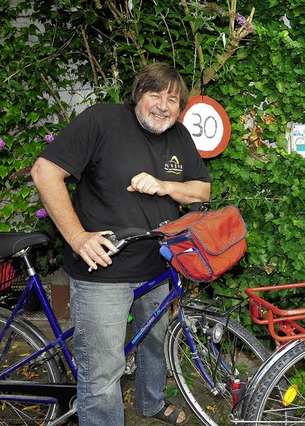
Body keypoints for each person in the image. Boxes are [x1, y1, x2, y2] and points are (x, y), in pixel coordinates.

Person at [31, 63, 212, 425]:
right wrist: (78, 236)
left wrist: (166, 186)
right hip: (104, 271)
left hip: (160, 266)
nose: (162, 106)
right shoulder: (102, 121)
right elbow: (44, 171)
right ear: (137, 96)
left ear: (181, 108)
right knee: (102, 375)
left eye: (172, 100)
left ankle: (150, 403)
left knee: (155, 343)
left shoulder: (178, 136)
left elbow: (202, 190)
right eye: (154, 95)